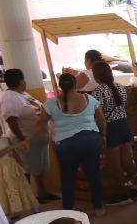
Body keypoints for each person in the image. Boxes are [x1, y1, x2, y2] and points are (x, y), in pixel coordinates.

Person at [37, 72, 105, 213]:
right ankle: (98, 207)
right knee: (93, 175)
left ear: (60, 86)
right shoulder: (89, 99)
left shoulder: (50, 104)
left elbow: (40, 123)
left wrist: (27, 139)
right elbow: (101, 120)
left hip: (66, 144)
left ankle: (68, 209)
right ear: (75, 84)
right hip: (90, 139)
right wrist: (102, 136)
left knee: (67, 177)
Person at [0, 69, 50, 202]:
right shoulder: (10, 97)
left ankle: (42, 192)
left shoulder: (21, 94)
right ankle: (27, 198)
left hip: (37, 138)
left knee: (38, 167)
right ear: (21, 80)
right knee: (27, 168)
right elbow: (11, 120)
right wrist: (23, 140)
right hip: (25, 138)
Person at [87, 60, 137, 191]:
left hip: (110, 128)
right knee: (128, 161)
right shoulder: (120, 87)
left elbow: (98, 114)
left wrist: (101, 133)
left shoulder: (98, 91)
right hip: (124, 125)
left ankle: (122, 192)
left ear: (97, 75)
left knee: (115, 165)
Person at [0, 117, 38, 217]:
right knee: (2, 191)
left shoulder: (6, 139)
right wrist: (14, 145)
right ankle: (6, 215)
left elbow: (14, 154)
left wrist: (23, 165)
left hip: (11, 168)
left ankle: (33, 208)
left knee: (19, 187)